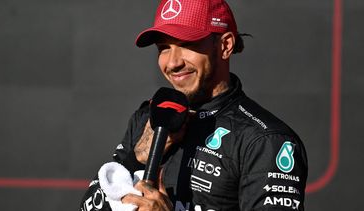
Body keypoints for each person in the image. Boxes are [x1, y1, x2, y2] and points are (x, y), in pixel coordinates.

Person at [80, 0, 308, 210]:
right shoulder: (149, 117)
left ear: (225, 45)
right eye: (164, 48)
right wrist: (135, 158)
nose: (173, 62)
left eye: (187, 44)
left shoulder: (266, 141)